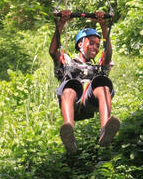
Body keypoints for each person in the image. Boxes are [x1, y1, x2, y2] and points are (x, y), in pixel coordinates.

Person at [49, 8, 120, 154]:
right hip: (73, 100)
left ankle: (105, 130)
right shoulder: (67, 62)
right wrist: (61, 22)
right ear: (80, 44)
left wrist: (103, 26)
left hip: (89, 101)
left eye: (97, 45)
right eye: (91, 43)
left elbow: (108, 54)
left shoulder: (98, 66)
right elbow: (53, 51)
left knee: (103, 86)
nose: (95, 47)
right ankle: (68, 131)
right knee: (69, 88)